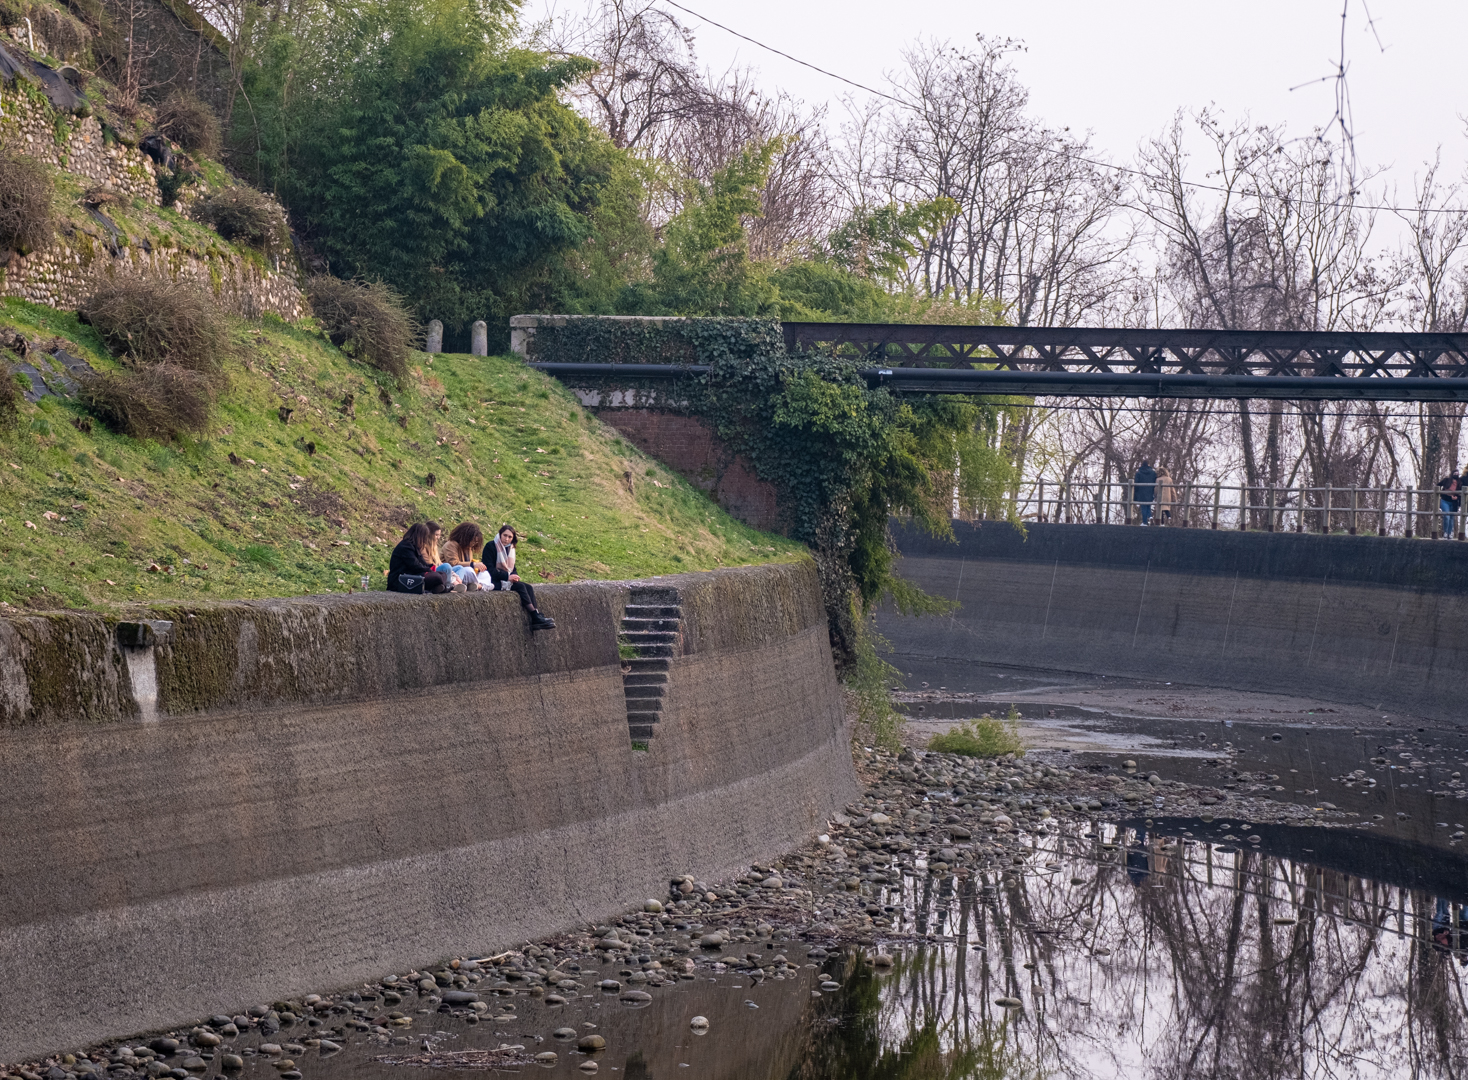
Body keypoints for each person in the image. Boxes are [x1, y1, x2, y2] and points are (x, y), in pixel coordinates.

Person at [490, 525, 555, 629]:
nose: (506, 539)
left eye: (509, 537)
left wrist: (514, 576)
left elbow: (511, 568)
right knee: (520, 587)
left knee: (528, 587)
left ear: (513, 538)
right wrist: (507, 577)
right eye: (504, 535)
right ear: (500, 535)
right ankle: (534, 615)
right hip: (493, 581)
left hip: (507, 579)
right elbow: (490, 570)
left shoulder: (510, 549)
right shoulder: (491, 546)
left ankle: (536, 617)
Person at [387, 523, 450, 593]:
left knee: (443, 574)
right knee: (437, 577)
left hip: (414, 574)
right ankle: (440, 588)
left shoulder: (415, 546)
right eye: (425, 537)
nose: (425, 540)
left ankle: (437, 588)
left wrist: (431, 567)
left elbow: (422, 562)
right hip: (403, 578)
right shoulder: (405, 547)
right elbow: (415, 565)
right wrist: (429, 570)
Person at [441, 522, 488, 590]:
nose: (474, 544)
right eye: (473, 541)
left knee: (485, 574)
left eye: (476, 542)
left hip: (465, 574)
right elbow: (453, 564)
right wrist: (473, 564)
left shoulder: (469, 548)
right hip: (453, 573)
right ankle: (477, 585)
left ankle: (477, 585)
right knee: (469, 570)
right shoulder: (451, 545)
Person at [1438, 471, 1462, 538]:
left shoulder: (1460, 483)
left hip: (1454, 502)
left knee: (1452, 518)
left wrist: (1457, 498)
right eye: (1455, 473)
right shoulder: (1446, 480)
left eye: (1457, 474)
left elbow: (1461, 493)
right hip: (1445, 500)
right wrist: (1442, 493)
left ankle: (1450, 533)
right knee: (1446, 516)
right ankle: (1445, 532)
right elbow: (1438, 485)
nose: (1456, 475)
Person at [1133, 460, 1157, 525]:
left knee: (1143, 506)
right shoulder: (1153, 473)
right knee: (1148, 505)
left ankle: (1144, 522)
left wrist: (1136, 493)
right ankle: (1150, 517)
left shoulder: (1138, 473)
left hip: (1141, 492)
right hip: (1150, 491)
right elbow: (1155, 482)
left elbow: (1136, 484)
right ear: (1148, 464)